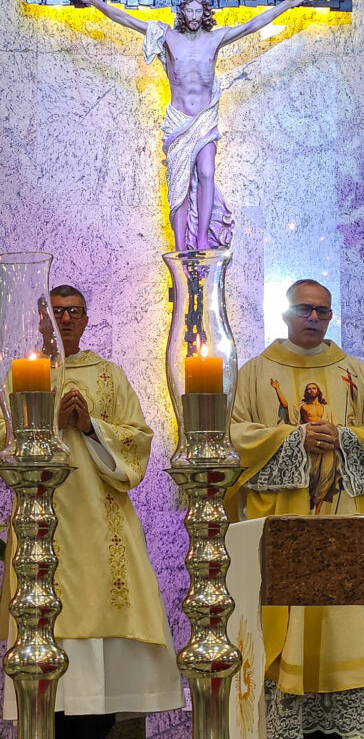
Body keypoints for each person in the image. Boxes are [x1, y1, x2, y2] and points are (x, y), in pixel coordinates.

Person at [1, 285, 183, 739]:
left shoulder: (109, 375)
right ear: (42, 320)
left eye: (74, 312)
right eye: (57, 312)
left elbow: (138, 439)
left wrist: (89, 426)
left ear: (85, 320)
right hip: (41, 526)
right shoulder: (18, 376)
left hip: (102, 529)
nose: (65, 319)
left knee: (99, 674)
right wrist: (47, 422)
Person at [226, 279, 364, 739]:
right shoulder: (255, 372)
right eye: (304, 309)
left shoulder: (355, 373)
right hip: (280, 530)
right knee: (286, 629)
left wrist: (343, 437)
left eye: (322, 311)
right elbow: (234, 438)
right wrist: (294, 438)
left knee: (342, 626)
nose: (313, 318)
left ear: (330, 317)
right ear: (285, 313)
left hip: (345, 527)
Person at [67, 0, 316, 251]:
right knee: (180, 186)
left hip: (205, 119)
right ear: (183, 12)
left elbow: (252, 26)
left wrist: (287, 4)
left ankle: (202, 239)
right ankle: (180, 247)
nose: (195, 16)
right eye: (190, 11)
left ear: (204, 12)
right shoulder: (167, 36)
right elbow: (127, 20)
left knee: (207, 172)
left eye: (199, 11)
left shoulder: (215, 38)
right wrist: (94, 1)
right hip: (179, 121)